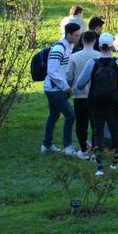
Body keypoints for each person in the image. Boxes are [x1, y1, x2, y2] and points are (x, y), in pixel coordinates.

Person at [74, 33, 118, 176]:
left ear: (99, 45)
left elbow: (79, 84)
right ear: (112, 45)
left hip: (95, 104)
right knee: (114, 132)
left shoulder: (92, 62)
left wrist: (89, 89)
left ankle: (99, 167)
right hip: (112, 103)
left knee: (98, 133)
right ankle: (115, 161)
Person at [41, 22, 81, 155]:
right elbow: (52, 71)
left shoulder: (67, 47)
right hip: (55, 89)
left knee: (53, 115)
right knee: (70, 115)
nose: (78, 38)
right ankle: (68, 146)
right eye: (75, 36)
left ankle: (46, 145)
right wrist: (65, 87)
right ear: (68, 34)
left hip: (55, 88)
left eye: (79, 35)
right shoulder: (59, 48)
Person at [66, 30, 101, 157]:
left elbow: (69, 76)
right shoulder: (100, 56)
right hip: (96, 96)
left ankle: (83, 150)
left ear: (81, 40)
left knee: (81, 124)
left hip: (79, 96)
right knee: (96, 125)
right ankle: (95, 151)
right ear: (95, 41)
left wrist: (69, 88)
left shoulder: (74, 57)